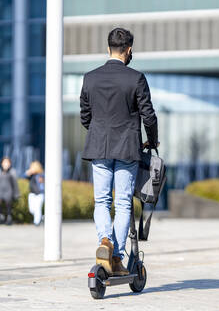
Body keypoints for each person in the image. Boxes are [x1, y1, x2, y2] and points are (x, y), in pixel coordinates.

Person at [80, 28, 158, 276]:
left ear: (108, 48)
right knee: (123, 203)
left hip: (99, 146)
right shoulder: (136, 78)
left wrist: (98, 132)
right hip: (127, 147)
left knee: (102, 200)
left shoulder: (90, 78)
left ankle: (105, 240)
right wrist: (152, 141)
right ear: (129, 50)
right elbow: (149, 115)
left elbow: (85, 115)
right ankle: (115, 256)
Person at [0, 157, 19, 225]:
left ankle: (9, 218)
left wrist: (16, 194)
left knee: (8, 206)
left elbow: (15, 184)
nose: (6, 164)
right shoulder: (0, 171)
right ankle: (1, 217)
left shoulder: (12, 172)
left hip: (8, 192)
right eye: (4, 162)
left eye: (7, 163)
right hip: (0, 192)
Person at [26, 161, 45, 226]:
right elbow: (25, 176)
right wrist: (29, 172)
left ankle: (36, 222)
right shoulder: (31, 175)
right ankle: (40, 217)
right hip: (32, 194)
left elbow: (43, 182)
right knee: (32, 209)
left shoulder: (41, 175)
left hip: (40, 194)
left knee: (38, 208)